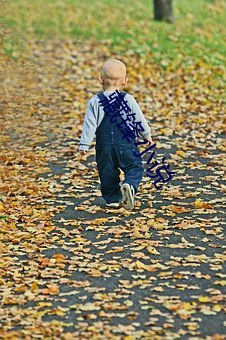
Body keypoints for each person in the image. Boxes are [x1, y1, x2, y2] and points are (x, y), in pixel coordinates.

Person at [79, 59, 152, 210]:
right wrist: (146, 134)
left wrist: (84, 144)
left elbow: (89, 125)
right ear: (125, 81)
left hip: (104, 146)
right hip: (126, 143)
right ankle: (129, 185)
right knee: (135, 167)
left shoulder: (95, 102)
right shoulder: (128, 99)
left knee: (107, 172)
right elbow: (138, 119)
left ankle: (112, 199)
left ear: (101, 79)